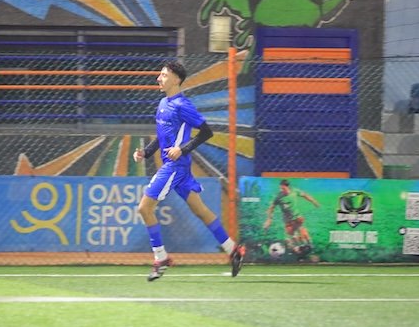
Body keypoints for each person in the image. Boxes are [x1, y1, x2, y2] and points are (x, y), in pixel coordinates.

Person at [134, 61, 244, 281]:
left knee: (144, 208)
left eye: (164, 75)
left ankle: (161, 258)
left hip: (175, 167)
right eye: (160, 74)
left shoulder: (183, 105)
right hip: (178, 167)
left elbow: (206, 132)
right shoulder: (163, 103)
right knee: (200, 210)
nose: (159, 78)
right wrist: (146, 152)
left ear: (176, 79)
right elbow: (162, 137)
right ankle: (234, 250)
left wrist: (182, 149)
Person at [263, 179, 321, 258]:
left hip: (297, 216)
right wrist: (269, 219)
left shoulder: (294, 191)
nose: (282, 190)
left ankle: (308, 245)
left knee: (300, 230)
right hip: (287, 219)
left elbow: (305, 195)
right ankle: (301, 248)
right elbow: (271, 208)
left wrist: (314, 202)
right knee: (291, 235)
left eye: (283, 188)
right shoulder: (279, 196)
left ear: (288, 187)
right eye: (281, 188)